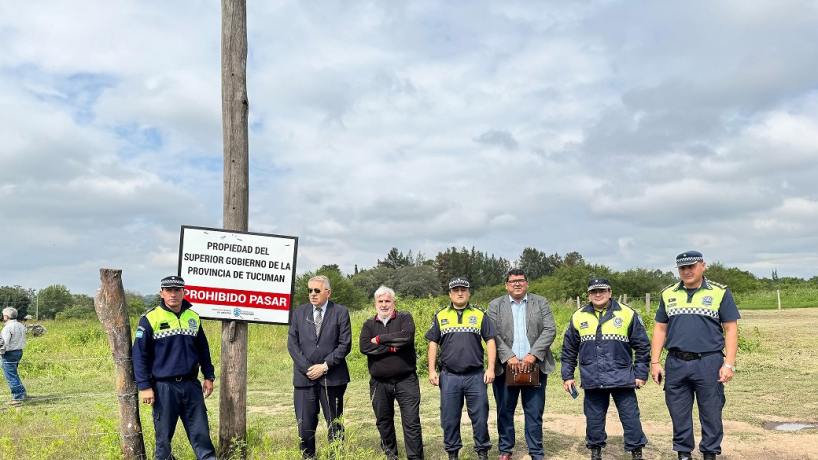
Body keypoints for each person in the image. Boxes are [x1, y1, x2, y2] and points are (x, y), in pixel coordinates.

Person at [651, 251, 740, 460]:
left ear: (703, 266)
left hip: (709, 362)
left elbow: (731, 329)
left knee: (711, 410)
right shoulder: (668, 293)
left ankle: (710, 452)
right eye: (682, 268)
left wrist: (729, 364)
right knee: (678, 411)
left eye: (691, 266)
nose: (687, 271)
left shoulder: (720, 292)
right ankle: (683, 453)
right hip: (676, 362)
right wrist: (655, 361)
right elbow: (660, 329)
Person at [561, 278, 650, 460]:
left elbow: (642, 346)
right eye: (594, 292)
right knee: (593, 418)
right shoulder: (578, 316)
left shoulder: (627, 313)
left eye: (602, 290)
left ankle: (636, 451)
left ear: (610, 292)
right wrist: (567, 376)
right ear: (588, 295)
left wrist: (641, 373)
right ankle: (596, 451)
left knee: (630, 416)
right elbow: (569, 350)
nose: (598, 294)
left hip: (622, 377)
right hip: (592, 377)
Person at [132, 275, 217, 460]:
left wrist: (209, 376)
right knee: (163, 439)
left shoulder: (193, 317)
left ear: (183, 292)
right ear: (161, 293)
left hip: (191, 385)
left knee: (201, 434)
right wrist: (145, 387)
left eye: (177, 290)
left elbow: (203, 349)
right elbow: (139, 355)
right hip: (163, 388)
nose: (173, 294)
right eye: (168, 290)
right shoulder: (150, 318)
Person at [488, 268, 556, 460]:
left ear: (527, 283)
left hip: (534, 366)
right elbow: (492, 333)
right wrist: (508, 356)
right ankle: (505, 449)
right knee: (504, 410)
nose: (517, 284)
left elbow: (550, 330)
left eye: (521, 280)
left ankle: (536, 451)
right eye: (512, 281)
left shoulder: (540, 302)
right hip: (505, 367)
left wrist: (532, 355)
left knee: (534, 411)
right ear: (506, 285)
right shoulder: (495, 305)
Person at [426, 276, 496, 460]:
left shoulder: (480, 314)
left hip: (475, 376)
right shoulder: (441, 315)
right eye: (455, 290)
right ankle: (452, 453)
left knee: (480, 417)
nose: (459, 293)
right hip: (449, 377)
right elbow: (433, 343)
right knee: (449, 418)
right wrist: (432, 370)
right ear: (450, 294)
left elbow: (490, 340)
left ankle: (482, 452)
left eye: (463, 290)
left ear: (468, 293)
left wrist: (490, 369)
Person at [287, 275, 352, 459]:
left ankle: (335, 456)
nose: (312, 294)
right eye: (310, 290)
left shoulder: (340, 312)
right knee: (305, 425)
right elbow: (292, 344)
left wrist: (324, 366)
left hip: (332, 378)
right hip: (304, 378)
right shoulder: (299, 313)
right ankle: (308, 457)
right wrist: (309, 369)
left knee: (335, 423)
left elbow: (344, 344)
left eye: (317, 290)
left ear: (328, 292)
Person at [359, 286, 424, 460]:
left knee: (411, 422)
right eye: (380, 301)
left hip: (406, 380)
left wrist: (379, 340)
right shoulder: (368, 324)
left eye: (387, 301)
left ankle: (415, 458)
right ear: (375, 303)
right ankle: (391, 456)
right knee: (384, 422)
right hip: (379, 383)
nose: (384, 304)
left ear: (394, 302)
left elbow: (406, 337)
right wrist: (394, 349)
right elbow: (365, 347)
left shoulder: (404, 317)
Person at [0, 307, 28, 406]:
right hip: (19, 351)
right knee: (14, 374)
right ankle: (22, 393)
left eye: (3, 315)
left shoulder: (7, 328)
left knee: (10, 376)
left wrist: (1, 352)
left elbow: (4, 343)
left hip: (9, 353)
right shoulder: (20, 325)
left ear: (6, 316)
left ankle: (18, 397)